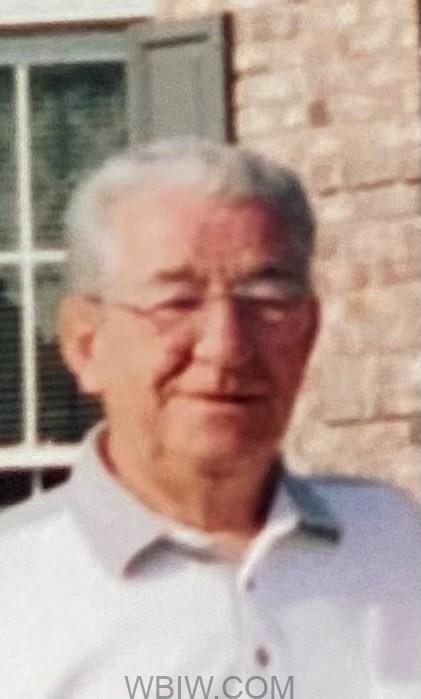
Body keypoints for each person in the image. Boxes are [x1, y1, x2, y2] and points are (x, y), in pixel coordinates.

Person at [0, 140, 419, 699]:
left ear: (307, 332)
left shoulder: (393, 546)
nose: (226, 346)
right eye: (177, 303)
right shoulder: (16, 587)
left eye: (265, 300)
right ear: (85, 344)